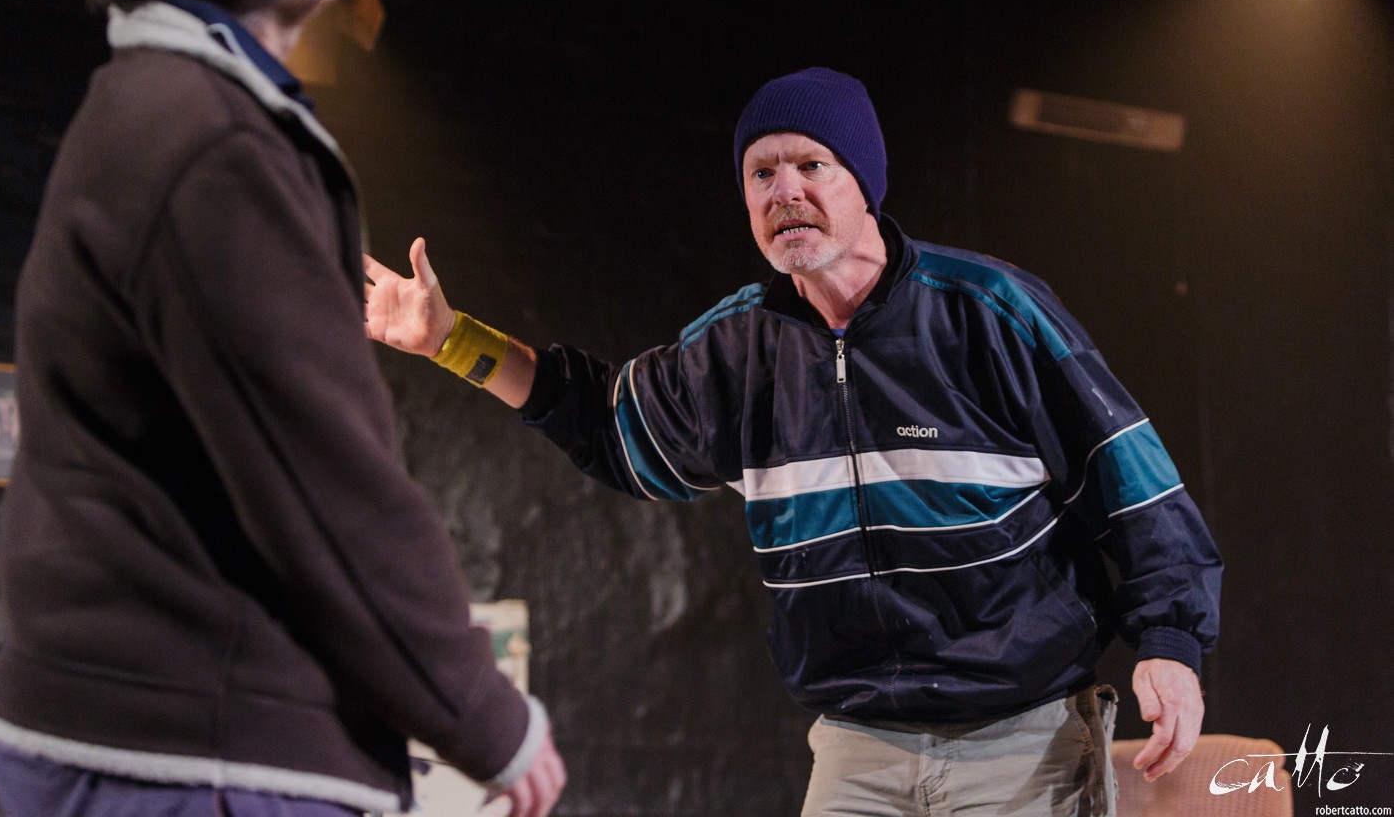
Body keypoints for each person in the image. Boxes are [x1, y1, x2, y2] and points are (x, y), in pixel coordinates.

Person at [363, 67, 1222, 816]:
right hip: (857, 748)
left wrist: (1171, 647)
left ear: (864, 184)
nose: (785, 192)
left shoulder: (988, 312)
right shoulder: (737, 351)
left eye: (812, 164)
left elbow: (1135, 485)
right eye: (761, 172)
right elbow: (604, 424)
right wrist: (450, 340)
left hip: (1022, 738)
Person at [0, 0, 565, 815]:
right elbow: (322, 483)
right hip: (194, 762)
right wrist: (488, 716)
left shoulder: (185, 114)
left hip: (165, 746)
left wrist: (452, 338)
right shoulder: (207, 142)